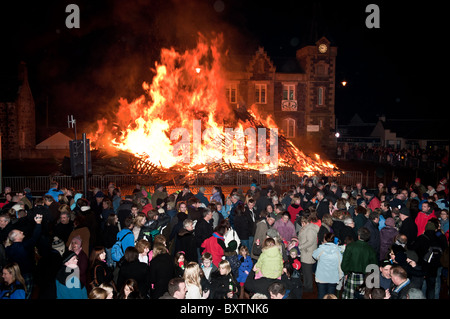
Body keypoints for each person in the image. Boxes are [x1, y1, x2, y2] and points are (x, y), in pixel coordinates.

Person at [5, 213, 43, 298]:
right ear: (16, 237)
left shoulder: (8, 249)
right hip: (25, 274)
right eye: (20, 232)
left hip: (14, 274)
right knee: (26, 294)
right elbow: (35, 237)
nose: (22, 232)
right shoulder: (24, 246)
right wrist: (38, 223)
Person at [341, 227, 378, 299]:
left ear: (359, 236)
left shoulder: (350, 246)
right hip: (365, 277)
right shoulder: (371, 250)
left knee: (350, 297)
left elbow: (344, 263)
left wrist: (346, 272)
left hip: (352, 276)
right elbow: (374, 267)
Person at [312, 232, 343, 299]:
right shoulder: (338, 251)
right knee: (331, 296)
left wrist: (322, 245)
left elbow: (314, 255)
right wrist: (341, 275)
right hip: (333, 277)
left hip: (321, 277)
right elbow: (340, 264)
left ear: (325, 240)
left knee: (321, 295)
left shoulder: (321, 249)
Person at [297, 215, 320, 292]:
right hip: (305, 252)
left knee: (308, 272)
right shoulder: (307, 228)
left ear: (304, 222)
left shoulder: (310, 229)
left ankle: (309, 287)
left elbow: (310, 241)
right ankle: (306, 285)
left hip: (308, 253)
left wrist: (300, 247)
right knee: (305, 271)